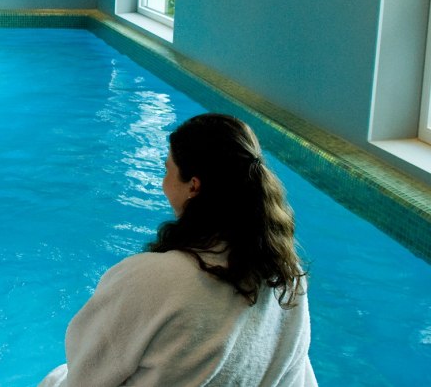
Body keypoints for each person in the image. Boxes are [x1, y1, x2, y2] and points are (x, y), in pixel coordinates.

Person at [41, 113, 315, 387]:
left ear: (193, 186)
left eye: (167, 170)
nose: (164, 182)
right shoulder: (288, 279)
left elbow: (86, 376)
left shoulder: (151, 280)